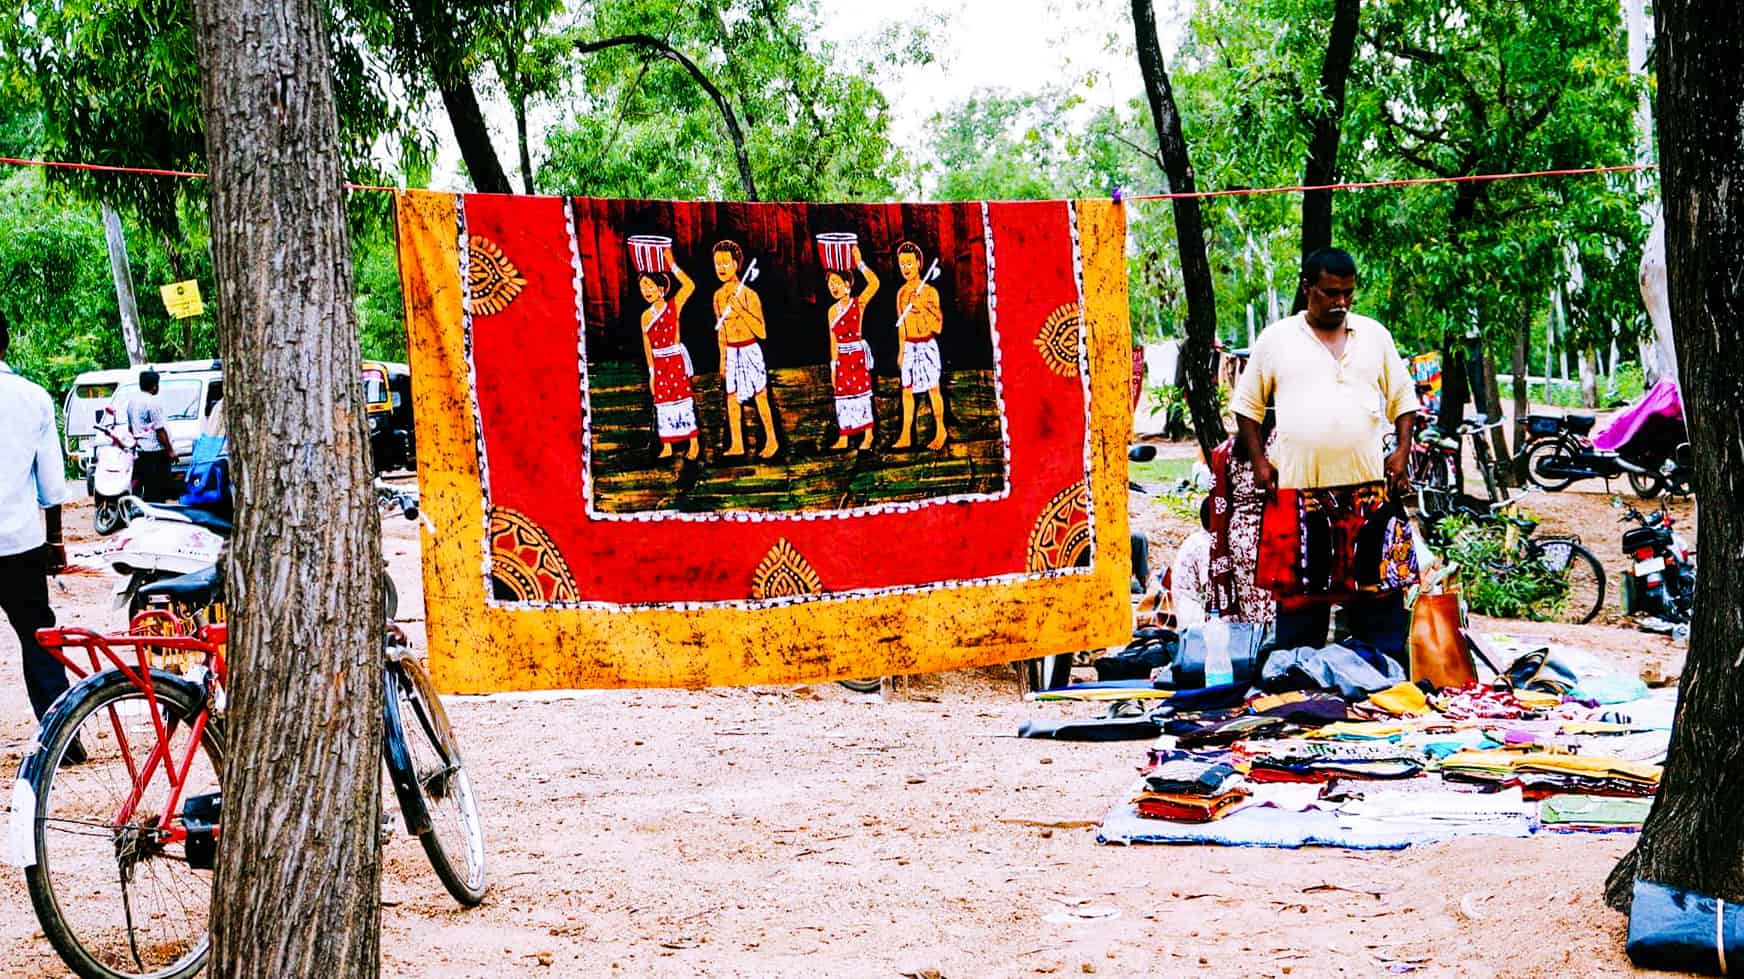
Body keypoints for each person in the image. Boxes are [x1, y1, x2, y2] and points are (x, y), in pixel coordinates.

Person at [1230, 247, 1419, 664]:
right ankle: (1299, 678)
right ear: (1307, 288)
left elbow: (1404, 399)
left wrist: (1402, 451)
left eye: (1348, 294)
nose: (1341, 303)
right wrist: (1261, 464)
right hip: (1298, 492)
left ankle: (1379, 677)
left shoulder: (1375, 335)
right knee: (1300, 605)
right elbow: (1247, 407)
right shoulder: (1276, 340)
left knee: (1377, 597)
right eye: (1331, 293)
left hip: (1368, 491)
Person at [0, 311, 79, 737]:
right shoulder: (33, 398)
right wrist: (55, 541)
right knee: (39, 636)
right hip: (19, 542)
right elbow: (51, 483)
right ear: (6, 342)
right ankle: (62, 735)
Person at [712, 240, 779, 458]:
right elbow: (721, 331)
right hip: (731, 352)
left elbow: (762, 332)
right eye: (717, 263)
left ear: (736, 264)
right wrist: (722, 359)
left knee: (761, 396)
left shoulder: (749, 295)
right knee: (732, 398)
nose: (721, 268)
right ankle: (738, 444)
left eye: (725, 263)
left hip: (750, 349)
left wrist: (740, 309)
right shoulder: (718, 296)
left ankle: (772, 440)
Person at [1205, 427, 1278, 630]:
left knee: (1250, 607)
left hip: (1239, 536)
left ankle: (1251, 651)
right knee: (1273, 608)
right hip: (1272, 534)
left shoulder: (1230, 449)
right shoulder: (1278, 442)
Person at [639, 246, 700, 460]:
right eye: (643, 286)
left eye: (650, 285)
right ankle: (667, 445)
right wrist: (652, 372)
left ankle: (693, 443)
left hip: (675, 359)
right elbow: (647, 345)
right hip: (659, 362)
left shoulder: (673, 306)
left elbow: (689, 285)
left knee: (682, 399)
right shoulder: (646, 317)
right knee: (663, 402)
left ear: (661, 287)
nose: (646, 290)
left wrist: (671, 262)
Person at [892, 241, 948, 450]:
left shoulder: (930, 292)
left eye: (909, 263)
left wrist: (921, 306)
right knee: (906, 391)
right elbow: (902, 326)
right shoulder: (901, 293)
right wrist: (901, 351)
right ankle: (906, 434)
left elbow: (938, 326)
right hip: (908, 347)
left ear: (918, 263)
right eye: (902, 264)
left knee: (934, 389)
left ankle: (941, 430)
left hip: (927, 346)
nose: (906, 268)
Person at [825, 244, 880, 450]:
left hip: (857, 354)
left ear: (848, 284)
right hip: (841, 357)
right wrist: (833, 365)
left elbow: (875, 283)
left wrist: (860, 263)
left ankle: (868, 435)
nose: (834, 287)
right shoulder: (832, 311)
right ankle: (844, 436)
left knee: (862, 393)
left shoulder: (859, 303)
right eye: (831, 283)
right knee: (843, 396)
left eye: (837, 282)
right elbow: (833, 340)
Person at [126, 368, 177, 501]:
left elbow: (130, 428)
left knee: (146, 488)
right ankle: (157, 515)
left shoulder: (132, 403)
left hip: (141, 451)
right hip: (155, 453)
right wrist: (170, 450)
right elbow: (160, 430)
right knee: (158, 489)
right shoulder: (152, 403)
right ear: (154, 386)